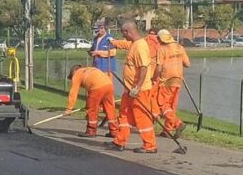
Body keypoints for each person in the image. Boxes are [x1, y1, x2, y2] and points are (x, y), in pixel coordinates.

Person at [109, 20, 157, 154]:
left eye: (123, 33)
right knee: (124, 115)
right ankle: (119, 141)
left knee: (142, 117)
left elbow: (144, 68)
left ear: (127, 31)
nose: (124, 36)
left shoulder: (141, 46)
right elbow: (124, 45)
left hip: (139, 91)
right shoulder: (134, 44)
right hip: (128, 90)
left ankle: (150, 145)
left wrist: (137, 87)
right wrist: (113, 42)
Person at [66, 64, 119, 138]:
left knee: (92, 110)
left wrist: (69, 108)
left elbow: (73, 92)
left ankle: (91, 131)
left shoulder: (77, 74)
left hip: (97, 87)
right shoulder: (89, 70)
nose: (72, 78)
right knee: (110, 109)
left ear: (73, 72)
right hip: (109, 84)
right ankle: (114, 131)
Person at [154, 29, 191, 138]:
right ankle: (167, 130)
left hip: (166, 81)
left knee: (162, 105)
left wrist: (153, 78)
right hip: (178, 80)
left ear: (161, 39)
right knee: (171, 106)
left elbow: (159, 67)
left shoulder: (162, 49)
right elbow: (187, 64)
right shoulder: (180, 47)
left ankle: (178, 123)